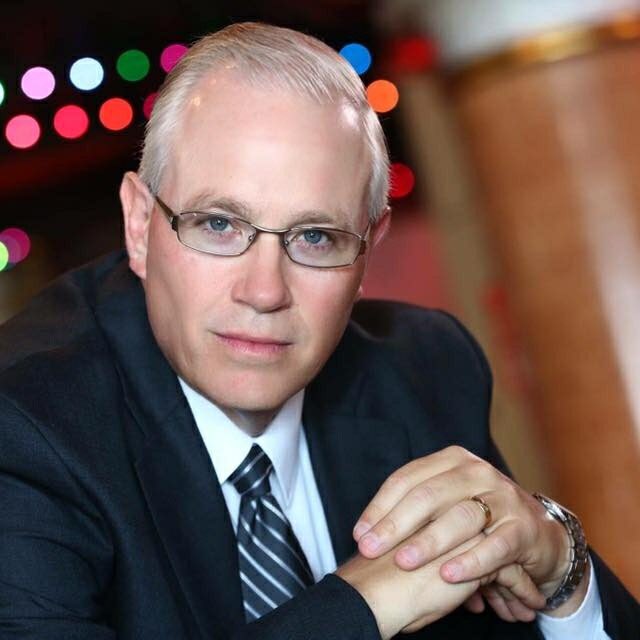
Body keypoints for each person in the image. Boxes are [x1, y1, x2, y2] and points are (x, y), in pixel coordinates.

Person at [0, 21, 637, 640]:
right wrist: (365, 603)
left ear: (368, 249)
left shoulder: (424, 371)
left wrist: (565, 569)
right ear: (140, 225)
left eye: (315, 237)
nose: (264, 291)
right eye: (219, 224)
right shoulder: (24, 425)